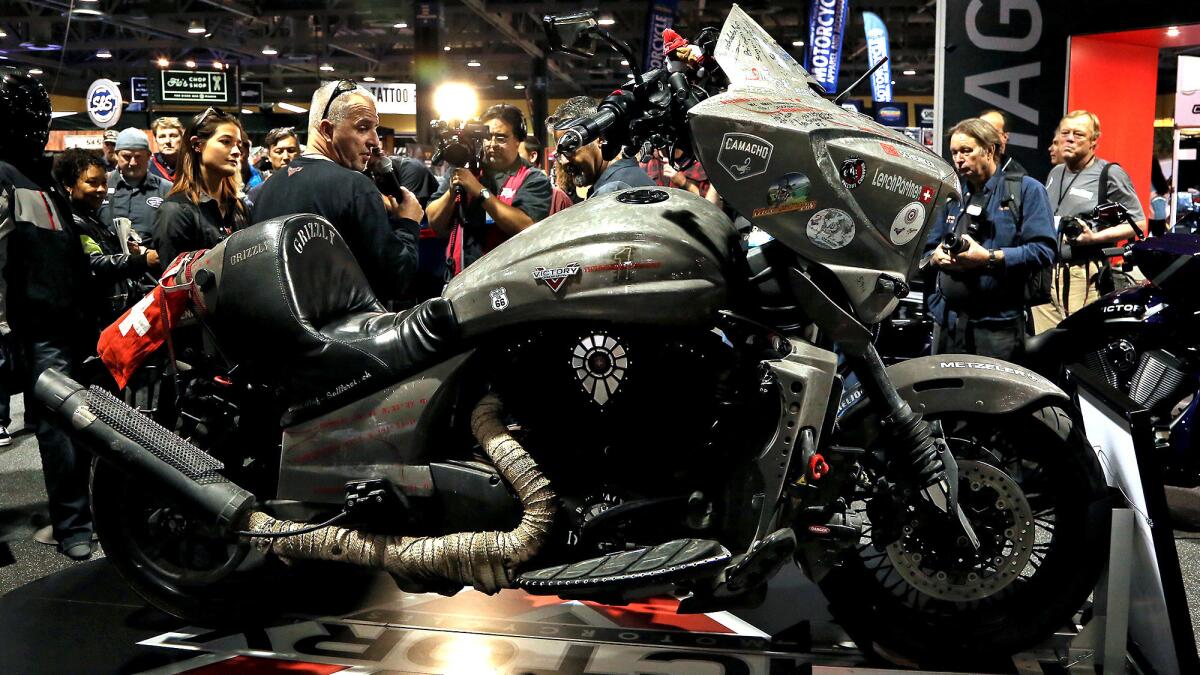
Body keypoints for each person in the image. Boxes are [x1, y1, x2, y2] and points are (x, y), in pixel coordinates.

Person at [0, 70, 96, 560]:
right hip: (32, 327)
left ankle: (82, 515)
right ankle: (73, 523)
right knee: (57, 428)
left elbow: (66, 252)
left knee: (77, 422)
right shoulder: (4, 175)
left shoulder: (41, 176)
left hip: (66, 322)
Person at [252, 80, 422, 306]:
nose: (374, 141)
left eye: (375, 129)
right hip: (344, 336)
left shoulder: (266, 189)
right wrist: (408, 223)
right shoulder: (356, 186)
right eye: (363, 128)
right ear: (327, 130)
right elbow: (396, 281)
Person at [925, 118, 1055, 360]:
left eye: (966, 150)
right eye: (954, 152)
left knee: (994, 398)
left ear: (990, 150)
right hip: (948, 323)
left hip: (998, 328)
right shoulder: (951, 195)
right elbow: (928, 247)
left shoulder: (1026, 190)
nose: (958, 158)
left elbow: (1044, 250)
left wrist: (988, 258)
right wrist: (935, 256)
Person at [1033, 110, 1148, 333]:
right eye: (1065, 133)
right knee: (1044, 345)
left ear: (1094, 140)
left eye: (1078, 134)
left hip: (1082, 275)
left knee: (1077, 345)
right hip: (1047, 272)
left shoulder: (1109, 173)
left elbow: (1138, 223)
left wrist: (1094, 237)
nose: (1069, 139)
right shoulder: (1056, 172)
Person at [427, 103, 551, 274]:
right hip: (460, 277)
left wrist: (480, 191)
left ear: (518, 140)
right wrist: (452, 191)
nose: (492, 144)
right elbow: (435, 223)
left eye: (501, 138)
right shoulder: (465, 170)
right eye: (488, 136)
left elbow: (526, 226)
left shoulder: (533, 178)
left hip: (508, 280)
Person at [53, 149, 159, 325]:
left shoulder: (89, 216)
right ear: (68, 185)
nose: (101, 190)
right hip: (92, 321)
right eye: (92, 183)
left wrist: (122, 249)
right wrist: (141, 260)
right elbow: (93, 263)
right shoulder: (72, 222)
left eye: (104, 183)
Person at [153, 108, 249, 265]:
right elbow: (174, 283)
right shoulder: (174, 211)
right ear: (197, 144)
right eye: (225, 142)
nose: (237, 151)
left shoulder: (239, 207)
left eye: (238, 144)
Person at [547, 96, 655, 198]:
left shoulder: (612, 192)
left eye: (569, 148)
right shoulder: (628, 178)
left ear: (600, 138)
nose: (564, 161)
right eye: (559, 154)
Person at [99, 127, 173, 241]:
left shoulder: (166, 190)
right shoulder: (101, 186)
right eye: (126, 157)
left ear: (149, 156)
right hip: (108, 257)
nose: (133, 163)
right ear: (117, 155)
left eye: (138, 157)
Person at [979, 109, 1026, 177]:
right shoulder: (967, 170)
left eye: (991, 131)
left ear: (1005, 137)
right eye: (979, 131)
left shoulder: (1017, 175)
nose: (984, 136)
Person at [149, 116, 183, 182]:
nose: (168, 141)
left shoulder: (192, 165)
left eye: (173, 136)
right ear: (155, 139)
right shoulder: (147, 168)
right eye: (162, 137)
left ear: (182, 138)